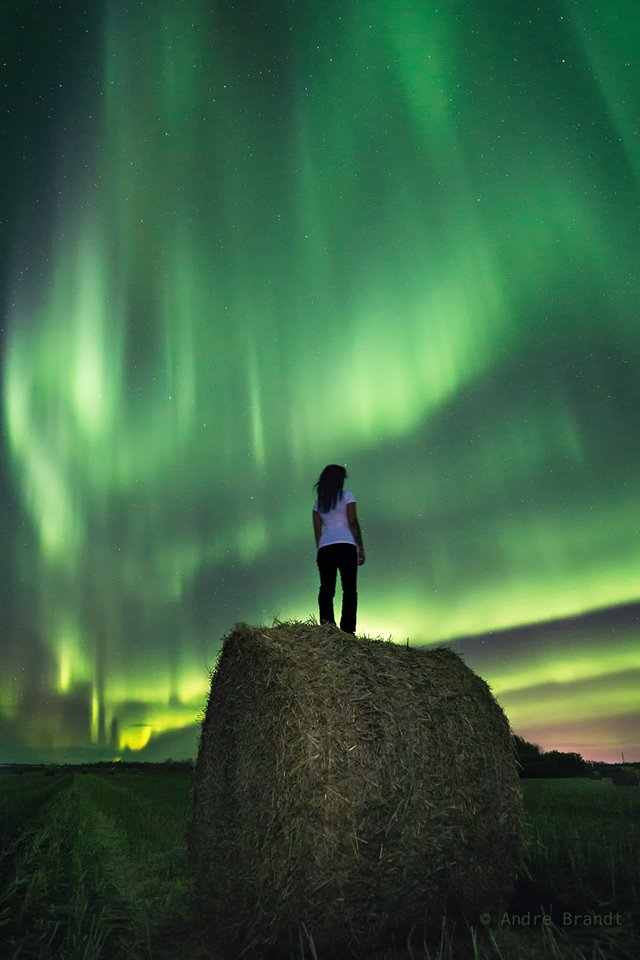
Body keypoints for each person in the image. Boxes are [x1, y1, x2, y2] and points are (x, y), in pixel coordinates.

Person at [312, 464, 365, 634]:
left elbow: (317, 531)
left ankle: (328, 628)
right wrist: (361, 547)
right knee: (349, 589)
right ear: (338, 479)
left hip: (325, 548)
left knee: (327, 589)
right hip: (346, 545)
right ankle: (348, 630)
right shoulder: (348, 496)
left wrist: (321, 549)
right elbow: (352, 521)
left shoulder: (318, 503)